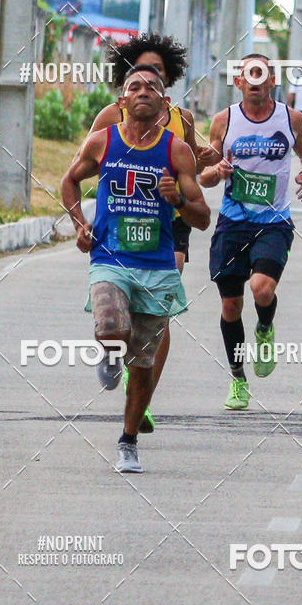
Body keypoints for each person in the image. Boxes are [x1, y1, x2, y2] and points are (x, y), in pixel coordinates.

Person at [62, 64, 210, 472]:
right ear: (122, 101)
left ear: (164, 103)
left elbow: (202, 217)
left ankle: (127, 441)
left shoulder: (176, 150)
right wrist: (80, 224)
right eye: (134, 87)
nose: (142, 91)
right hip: (110, 258)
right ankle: (110, 351)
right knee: (109, 324)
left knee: (143, 364)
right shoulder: (102, 141)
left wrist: (176, 198)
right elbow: (69, 181)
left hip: (158, 267)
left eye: (152, 87)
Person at [89, 33, 213, 433]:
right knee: (121, 316)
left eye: (157, 73)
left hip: (170, 218)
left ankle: (142, 394)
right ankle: (121, 358)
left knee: (161, 305)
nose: (148, 80)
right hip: (124, 222)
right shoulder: (111, 116)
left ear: (167, 81)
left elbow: (193, 163)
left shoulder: (182, 119)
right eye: (140, 74)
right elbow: (92, 160)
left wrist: (210, 163)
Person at [200, 54, 302, 410]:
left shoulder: (291, 119)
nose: (255, 80)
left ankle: (265, 327)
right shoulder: (224, 121)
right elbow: (203, 176)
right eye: (248, 74)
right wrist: (217, 171)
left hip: (273, 222)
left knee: (261, 288)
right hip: (233, 223)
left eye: (262, 74)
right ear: (238, 82)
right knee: (231, 306)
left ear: (271, 82)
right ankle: (238, 379)